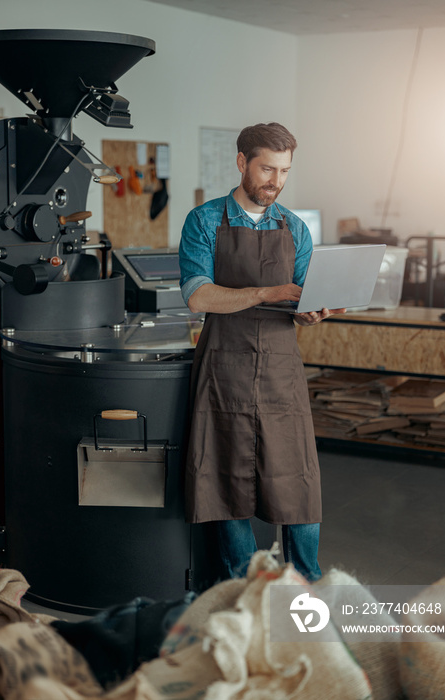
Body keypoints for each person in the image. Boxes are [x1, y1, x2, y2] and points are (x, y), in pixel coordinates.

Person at [179, 122, 345, 582]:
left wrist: (312, 311)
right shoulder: (205, 221)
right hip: (223, 368)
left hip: (280, 371)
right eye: (267, 169)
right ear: (242, 162)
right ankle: (244, 589)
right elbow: (199, 297)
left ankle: (305, 588)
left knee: (298, 484)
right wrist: (267, 293)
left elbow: (302, 297)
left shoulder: (294, 228)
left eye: (285, 171)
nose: (276, 181)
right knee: (226, 479)